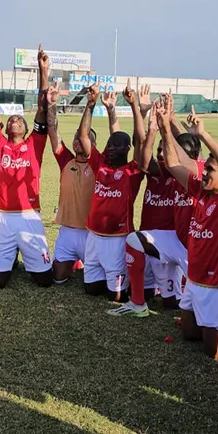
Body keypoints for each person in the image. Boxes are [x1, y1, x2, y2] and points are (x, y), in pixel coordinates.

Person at [109, 89, 204, 317]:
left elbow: (183, 154)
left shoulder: (198, 173)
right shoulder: (164, 170)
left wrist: (168, 126)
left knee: (183, 306)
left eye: (164, 150)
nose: (162, 155)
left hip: (196, 247)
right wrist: (154, 125)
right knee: (135, 243)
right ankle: (138, 303)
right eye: (160, 151)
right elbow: (144, 158)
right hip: (169, 239)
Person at [161, 107, 218, 358]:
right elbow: (173, 163)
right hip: (195, 281)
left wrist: (204, 135)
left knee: (215, 353)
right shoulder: (199, 191)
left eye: (210, 170)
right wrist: (165, 126)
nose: (204, 173)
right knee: (189, 335)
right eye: (205, 168)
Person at [0, 44, 53, 288]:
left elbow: (43, 106)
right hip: (3, 217)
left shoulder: (35, 143)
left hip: (30, 215)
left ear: (26, 127)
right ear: (5, 127)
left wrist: (44, 70)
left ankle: (24, 253)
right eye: (11, 119)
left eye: (19, 119)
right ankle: (11, 255)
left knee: (44, 280)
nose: (14, 121)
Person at [75, 84, 145, 302]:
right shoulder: (100, 164)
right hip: (94, 237)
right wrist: (90, 104)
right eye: (109, 144)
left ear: (127, 149)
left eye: (117, 145)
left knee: (115, 296)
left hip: (117, 239)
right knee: (92, 290)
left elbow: (140, 141)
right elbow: (83, 136)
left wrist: (135, 106)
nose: (111, 148)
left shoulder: (133, 171)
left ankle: (130, 281)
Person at [48, 84, 96, 285]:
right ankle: (73, 261)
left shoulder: (98, 164)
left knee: (94, 285)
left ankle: (83, 262)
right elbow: (52, 129)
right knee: (58, 279)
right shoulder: (66, 160)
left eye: (83, 138)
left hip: (91, 233)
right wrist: (51, 104)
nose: (78, 141)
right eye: (76, 137)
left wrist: (90, 105)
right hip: (67, 231)